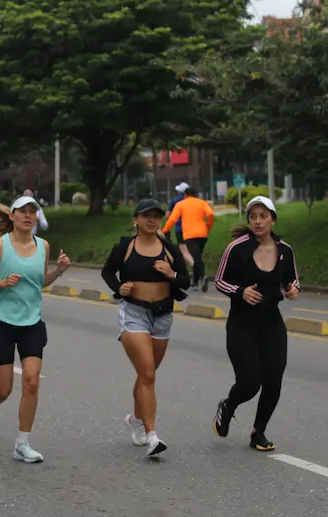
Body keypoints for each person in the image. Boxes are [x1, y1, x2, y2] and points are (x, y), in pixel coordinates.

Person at [0, 197, 70, 463]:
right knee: (4, 389)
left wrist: (58, 271)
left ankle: (22, 443)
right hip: (1, 322)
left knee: (32, 382)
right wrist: (2, 284)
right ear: (11, 217)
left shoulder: (43, 246)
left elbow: (39, 283)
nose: (28, 216)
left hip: (32, 322)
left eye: (32, 211)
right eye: (22, 211)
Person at [101, 199, 190, 457]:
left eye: (156, 216)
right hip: (133, 313)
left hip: (163, 315)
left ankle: (136, 419)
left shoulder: (169, 248)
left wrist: (171, 274)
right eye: (146, 215)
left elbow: (186, 280)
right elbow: (108, 272)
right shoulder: (125, 247)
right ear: (136, 220)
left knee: (146, 374)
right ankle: (152, 436)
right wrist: (119, 288)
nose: (152, 220)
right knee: (148, 373)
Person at [211, 196, 299, 452]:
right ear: (248, 220)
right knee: (250, 383)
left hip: (272, 323)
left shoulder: (285, 250)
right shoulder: (236, 248)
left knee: (273, 379)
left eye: (263, 216)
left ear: (272, 218)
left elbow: (292, 281)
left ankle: (258, 432)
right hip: (242, 324)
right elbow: (219, 281)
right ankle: (228, 406)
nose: (258, 221)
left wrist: (292, 290)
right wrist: (240, 292)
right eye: (253, 217)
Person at [161, 187, 214, 291]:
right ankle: (195, 281)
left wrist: (164, 230)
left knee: (196, 258)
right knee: (197, 256)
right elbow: (210, 214)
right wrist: (209, 226)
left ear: (185, 195)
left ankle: (203, 277)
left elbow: (172, 219)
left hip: (190, 236)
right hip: (203, 234)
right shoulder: (202, 202)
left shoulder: (181, 204)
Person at [164, 182, 194, 269]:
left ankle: (197, 269)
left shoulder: (175, 200)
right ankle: (185, 271)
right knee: (189, 250)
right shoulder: (192, 201)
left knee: (183, 250)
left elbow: (167, 215)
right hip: (192, 229)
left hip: (180, 229)